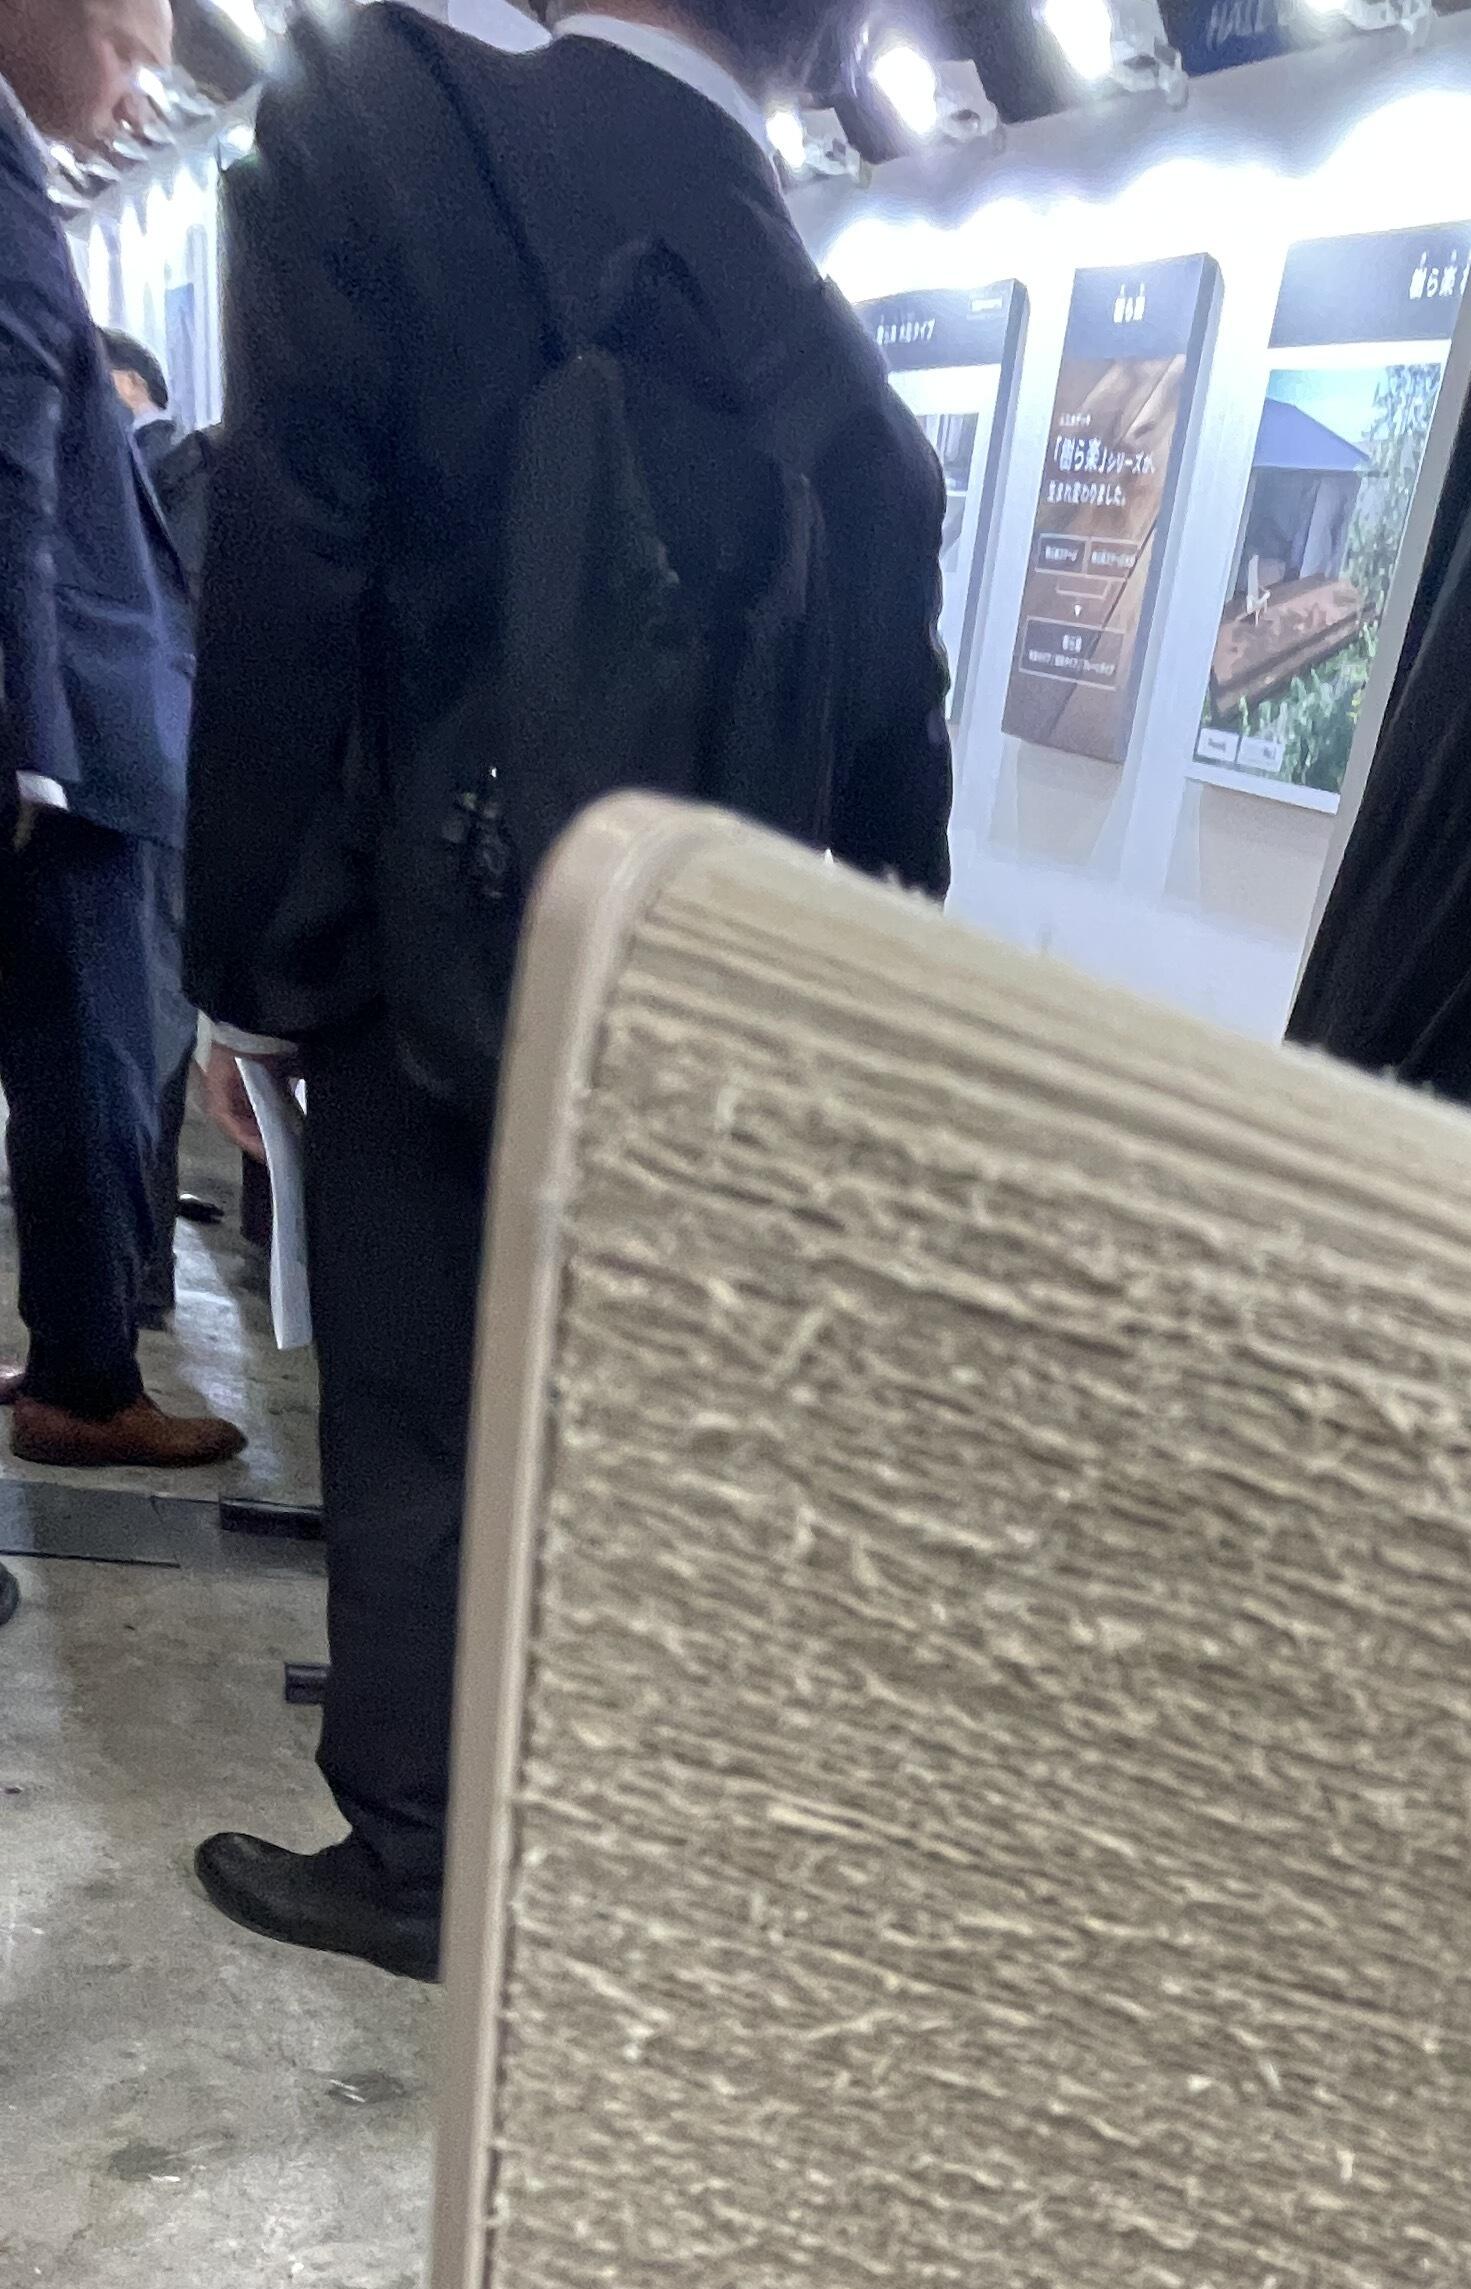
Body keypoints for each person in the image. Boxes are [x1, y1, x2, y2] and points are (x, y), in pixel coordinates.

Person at [187, 0, 953, 1981]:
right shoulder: (832, 363)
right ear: (826, 40)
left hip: (427, 948)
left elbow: (286, 576)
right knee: (616, 1410)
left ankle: (421, 1856)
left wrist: (247, 967)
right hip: (699, 1003)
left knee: (421, 1413)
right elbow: (894, 783)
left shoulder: (380, 135)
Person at [0, 0, 240, 1471]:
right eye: (128, 51)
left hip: (66, 728)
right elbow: (13, 477)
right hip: (72, 742)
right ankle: (86, 1385)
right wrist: (31, 745)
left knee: (70, 1069)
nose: (143, 96)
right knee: (94, 1064)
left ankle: (68, 1361)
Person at [101, 326, 214, 1329]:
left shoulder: (185, 473)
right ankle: (126, 1276)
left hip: (161, 790)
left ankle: (132, 1275)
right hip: (137, 786)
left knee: (144, 1022)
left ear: (131, 383)